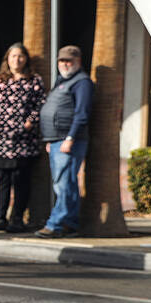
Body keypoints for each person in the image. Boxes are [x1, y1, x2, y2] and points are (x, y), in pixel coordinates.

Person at [0, 43, 45, 233]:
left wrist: (30, 122)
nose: (17, 60)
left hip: (23, 142)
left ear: (26, 59)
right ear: (7, 59)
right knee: (2, 182)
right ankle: (0, 217)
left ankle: (17, 219)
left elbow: (41, 104)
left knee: (21, 182)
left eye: (20, 56)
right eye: (13, 56)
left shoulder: (34, 80)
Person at [37, 45, 93, 238]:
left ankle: (56, 225)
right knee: (64, 183)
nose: (65, 64)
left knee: (64, 184)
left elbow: (82, 114)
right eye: (62, 60)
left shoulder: (82, 82)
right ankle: (70, 223)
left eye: (69, 60)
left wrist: (69, 138)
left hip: (69, 141)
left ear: (78, 61)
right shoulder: (63, 80)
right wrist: (49, 139)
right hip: (56, 140)